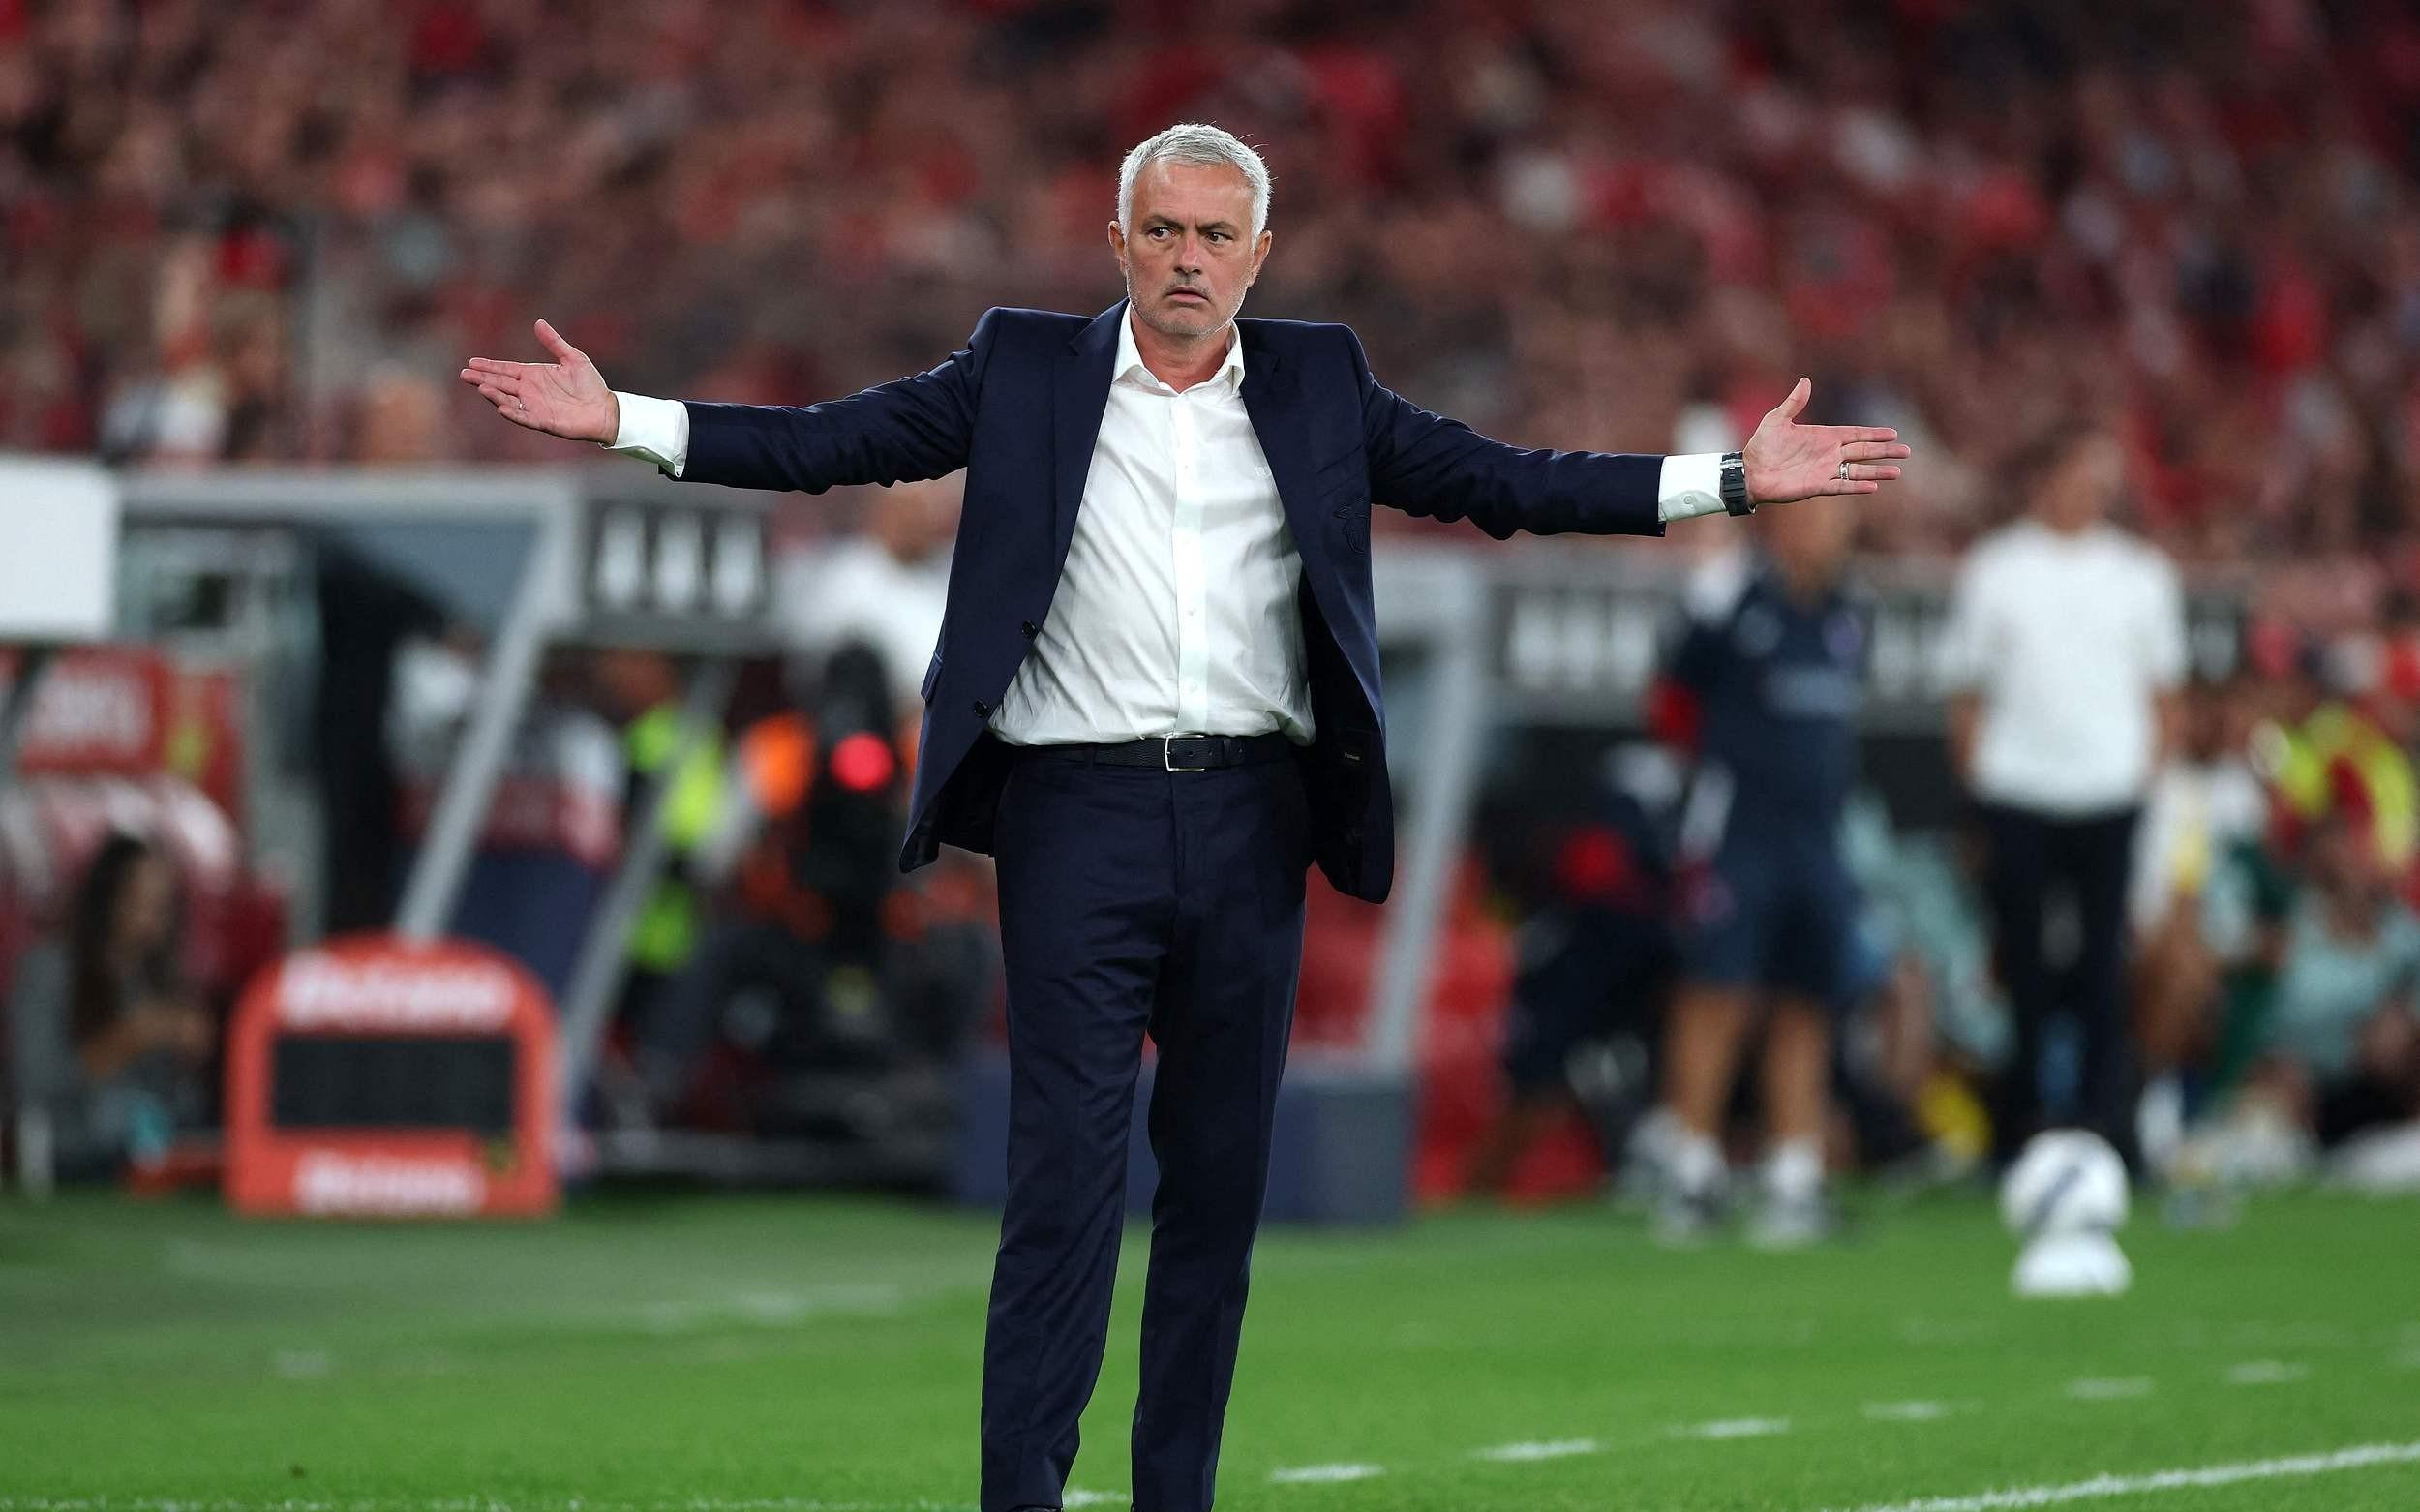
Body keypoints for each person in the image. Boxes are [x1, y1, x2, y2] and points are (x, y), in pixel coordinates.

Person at [460, 123, 1910, 1512]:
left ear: (1260, 253)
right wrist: (627, 421)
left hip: (1249, 818)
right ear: (1118, 240)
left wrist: (1729, 483)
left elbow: (1504, 481)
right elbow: (837, 441)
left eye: (1217, 234)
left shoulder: (1321, 380)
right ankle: (1026, 1492)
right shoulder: (1022, 365)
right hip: (1072, 815)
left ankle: (1174, 1496)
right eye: (1162, 229)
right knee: (1063, 1181)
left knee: (1215, 1196)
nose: (1188, 258)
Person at [1943, 426, 2187, 1169]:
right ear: (2045, 477)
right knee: (2021, 964)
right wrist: (1983, 782)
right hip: (2018, 792)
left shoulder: (2142, 574)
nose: (2096, 489)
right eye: (2084, 472)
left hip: (2110, 794)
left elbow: (2166, 696)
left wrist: (2141, 776)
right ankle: (2021, 1122)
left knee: (2104, 963)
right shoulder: (1995, 570)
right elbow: (1966, 696)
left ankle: (2105, 1119)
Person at [1647, 497, 1868, 1247]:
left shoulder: (1848, 614)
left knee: (1807, 1000)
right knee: (1718, 994)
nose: (1822, 531)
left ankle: (1793, 1175)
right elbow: (1670, 699)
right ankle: (1690, 1168)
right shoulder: (1732, 604)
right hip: (1739, 833)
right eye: (1809, 516)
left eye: (1834, 518)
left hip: (1819, 837)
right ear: (1776, 525)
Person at [4, 832, 214, 1179]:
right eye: (140, 900)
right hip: (68, 1155)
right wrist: (130, 1038)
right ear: (107, 898)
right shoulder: (49, 970)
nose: (154, 917)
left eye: (163, 905)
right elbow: (35, 1084)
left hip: (150, 1158)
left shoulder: (157, 982)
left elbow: (176, 1104)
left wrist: (190, 1058)